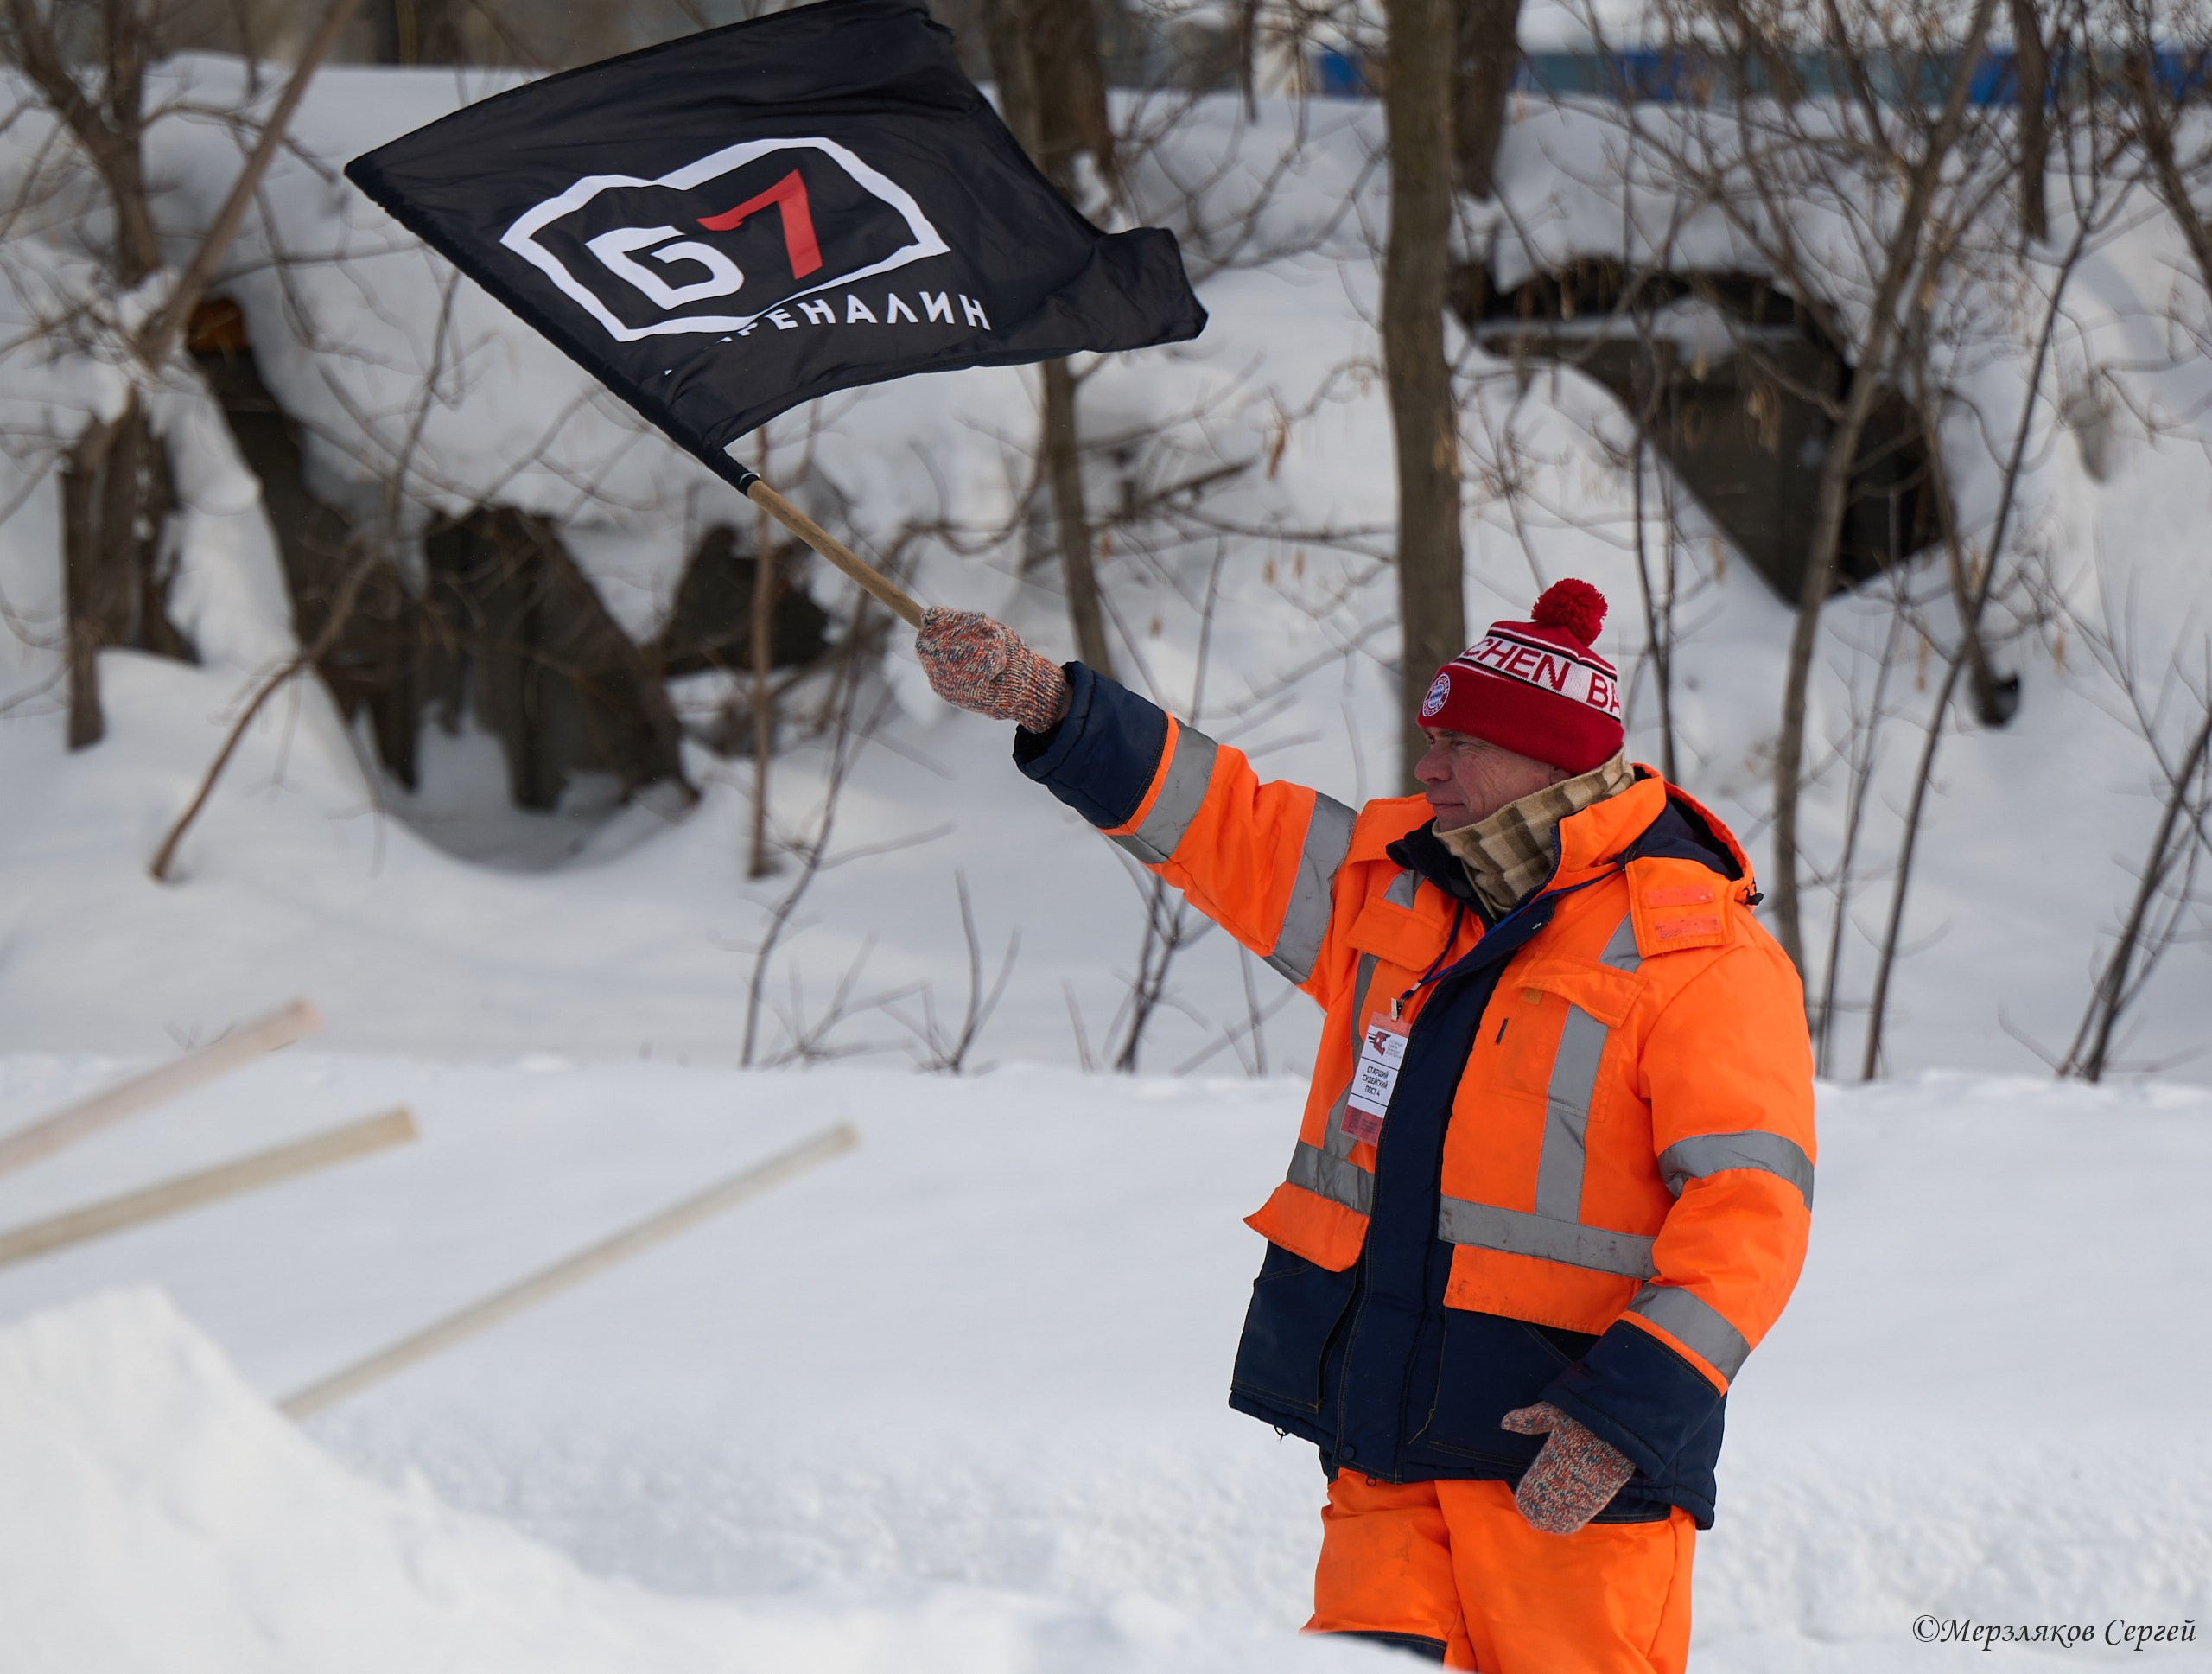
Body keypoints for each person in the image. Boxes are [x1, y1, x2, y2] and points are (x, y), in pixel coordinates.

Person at [914, 579, 1815, 1674]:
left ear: (1556, 766)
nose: (1428, 765)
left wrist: (1623, 1417)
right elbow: (1229, 824)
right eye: (1432, 737)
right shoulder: (1397, 891)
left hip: (1567, 1475)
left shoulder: (1696, 953)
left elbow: (1749, 1214)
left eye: (1464, 743)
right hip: (1384, 1455)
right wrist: (1052, 705)